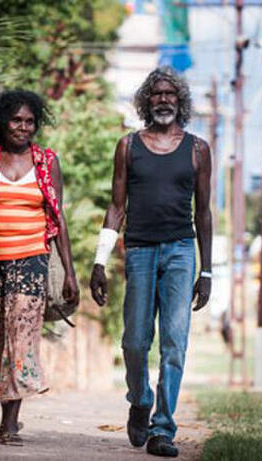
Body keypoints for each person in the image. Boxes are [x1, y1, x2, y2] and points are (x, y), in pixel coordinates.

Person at [89, 67, 212, 458]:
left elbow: (205, 213)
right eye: (156, 94)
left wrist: (206, 270)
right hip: (139, 250)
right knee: (136, 341)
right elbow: (116, 206)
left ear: (180, 102)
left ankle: (163, 429)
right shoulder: (129, 146)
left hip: (180, 251)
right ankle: (140, 399)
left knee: (174, 344)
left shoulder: (197, 149)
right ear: (146, 101)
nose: (163, 100)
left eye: (170, 94)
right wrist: (99, 262)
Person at [0, 89, 79, 444]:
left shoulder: (46, 162)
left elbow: (56, 217)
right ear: (2, 121)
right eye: (16, 120)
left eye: (30, 121)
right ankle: (6, 414)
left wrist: (70, 272)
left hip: (31, 260)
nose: (23, 127)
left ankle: (10, 421)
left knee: (21, 337)